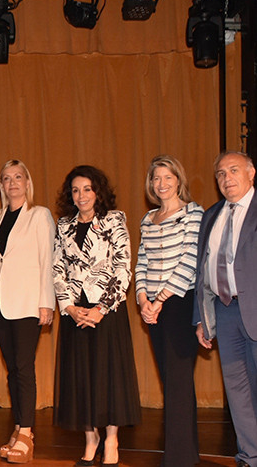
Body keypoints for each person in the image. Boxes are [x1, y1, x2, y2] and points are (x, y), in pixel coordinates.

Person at [52, 165, 140, 467]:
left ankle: (111, 439)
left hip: (107, 311)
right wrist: (69, 306)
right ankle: (91, 439)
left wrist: (101, 309)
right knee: (81, 378)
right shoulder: (64, 225)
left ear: (98, 192)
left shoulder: (114, 220)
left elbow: (122, 267)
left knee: (108, 376)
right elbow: (57, 268)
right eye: (75, 190)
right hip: (75, 313)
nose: (81, 196)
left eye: (87, 189)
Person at [0, 160, 55, 464]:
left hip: (27, 302)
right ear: (1, 185)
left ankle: (26, 432)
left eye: (18, 177)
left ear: (27, 182)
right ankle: (20, 427)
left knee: (24, 367)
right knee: (13, 369)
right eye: (7, 178)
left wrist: (47, 301)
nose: (12, 183)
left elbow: (48, 259)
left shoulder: (39, 215)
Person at [134, 155, 203, 467]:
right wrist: (143, 300)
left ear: (178, 180)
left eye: (167, 177)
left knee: (178, 381)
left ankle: (178, 459)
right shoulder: (148, 219)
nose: (161, 184)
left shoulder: (193, 213)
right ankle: (184, 455)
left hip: (179, 303)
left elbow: (190, 260)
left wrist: (160, 299)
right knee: (170, 381)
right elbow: (142, 262)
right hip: (153, 308)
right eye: (156, 178)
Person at [194, 151, 257, 467]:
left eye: (234, 170)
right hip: (225, 310)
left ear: (251, 173)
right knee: (237, 389)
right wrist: (201, 318)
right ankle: (250, 455)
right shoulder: (212, 215)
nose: (227, 178)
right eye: (221, 173)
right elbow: (202, 271)